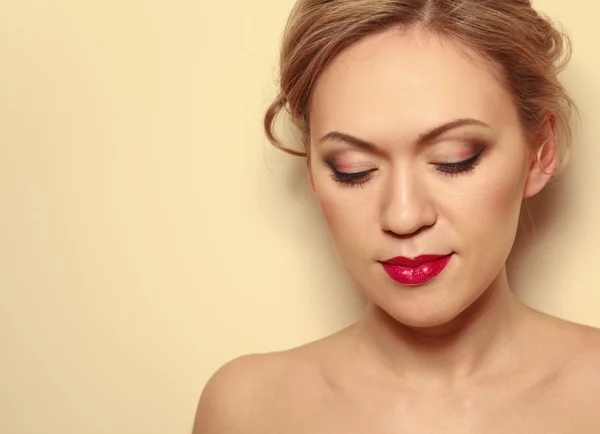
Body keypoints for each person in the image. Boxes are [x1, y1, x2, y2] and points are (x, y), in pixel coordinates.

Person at [193, 1, 600, 432]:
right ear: (313, 169)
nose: (404, 217)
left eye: (454, 159)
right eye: (352, 169)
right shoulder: (249, 409)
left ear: (541, 152)